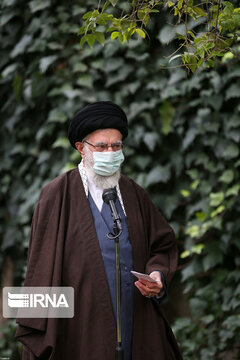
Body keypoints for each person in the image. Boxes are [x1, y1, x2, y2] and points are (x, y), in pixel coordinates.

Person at [15, 101, 182, 360]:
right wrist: (40, 329)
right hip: (78, 326)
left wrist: (157, 275)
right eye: (102, 146)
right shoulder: (55, 194)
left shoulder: (133, 193)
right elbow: (41, 266)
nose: (110, 152)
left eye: (116, 146)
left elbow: (162, 245)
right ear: (81, 148)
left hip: (135, 316)